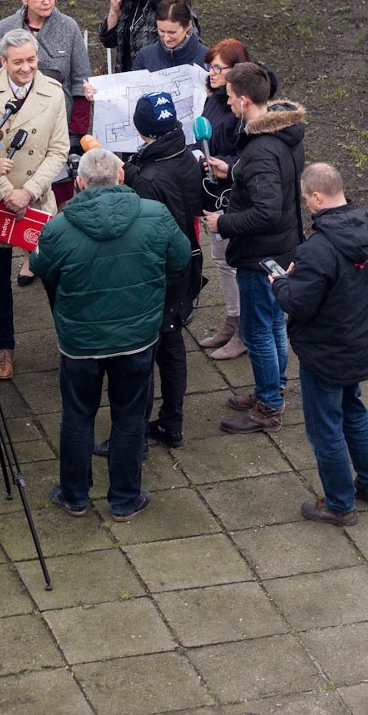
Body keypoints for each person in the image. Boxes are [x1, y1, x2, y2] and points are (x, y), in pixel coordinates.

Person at [30, 149, 190, 521]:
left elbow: (40, 267)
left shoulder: (58, 227)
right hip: (136, 339)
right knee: (130, 417)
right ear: (121, 177)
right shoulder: (155, 216)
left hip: (80, 344)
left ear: (80, 183)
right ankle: (124, 499)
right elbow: (180, 260)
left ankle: (74, 496)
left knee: (77, 415)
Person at [270, 163, 368, 526]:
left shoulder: (317, 250)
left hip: (325, 351)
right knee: (353, 411)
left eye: (307, 198)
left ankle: (339, 504)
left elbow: (298, 303)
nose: (306, 204)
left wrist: (281, 283)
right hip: (361, 342)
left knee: (325, 429)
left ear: (318, 196)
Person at [203, 62, 306, 434]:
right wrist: (233, 172)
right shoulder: (282, 133)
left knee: (258, 329)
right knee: (274, 324)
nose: (226, 103)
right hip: (282, 249)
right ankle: (272, 389)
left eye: (229, 98)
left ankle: (268, 407)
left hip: (261, 254)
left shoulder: (261, 149)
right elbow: (274, 183)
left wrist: (223, 224)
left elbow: (266, 210)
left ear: (245, 101)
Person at [0, 28, 70, 380]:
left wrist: (30, 191)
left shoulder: (52, 93)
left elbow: (59, 150)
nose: (27, 68)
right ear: (3, 61)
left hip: (37, 199)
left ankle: (71, 345)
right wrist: (6, 190)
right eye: (18, 62)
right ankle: (5, 345)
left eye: (32, 60)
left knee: (53, 274)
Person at [0, 0, 91, 280]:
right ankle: (20, 248)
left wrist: (76, 135)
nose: (46, 1)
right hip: (11, 128)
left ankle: (38, 253)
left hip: (53, 128)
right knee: (11, 190)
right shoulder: (5, 28)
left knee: (46, 194)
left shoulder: (68, 27)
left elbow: (81, 85)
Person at [122, 92, 204, 448]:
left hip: (159, 273)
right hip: (187, 261)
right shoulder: (185, 155)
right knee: (172, 342)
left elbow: (147, 231)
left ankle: (135, 434)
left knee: (145, 353)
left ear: (141, 130)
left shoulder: (149, 179)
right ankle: (172, 422)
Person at [196, 37, 259, 361]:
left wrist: (228, 166)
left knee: (234, 263)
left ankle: (244, 331)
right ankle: (232, 320)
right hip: (212, 194)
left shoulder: (241, 108)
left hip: (232, 196)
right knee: (221, 260)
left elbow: (252, 155)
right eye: (210, 66)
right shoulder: (214, 99)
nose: (212, 73)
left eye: (219, 68)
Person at [131, 0, 209, 73]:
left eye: (172, 32)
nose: (166, 38)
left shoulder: (208, 58)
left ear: (188, 26)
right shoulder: (145, 56)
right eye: (161, 31)